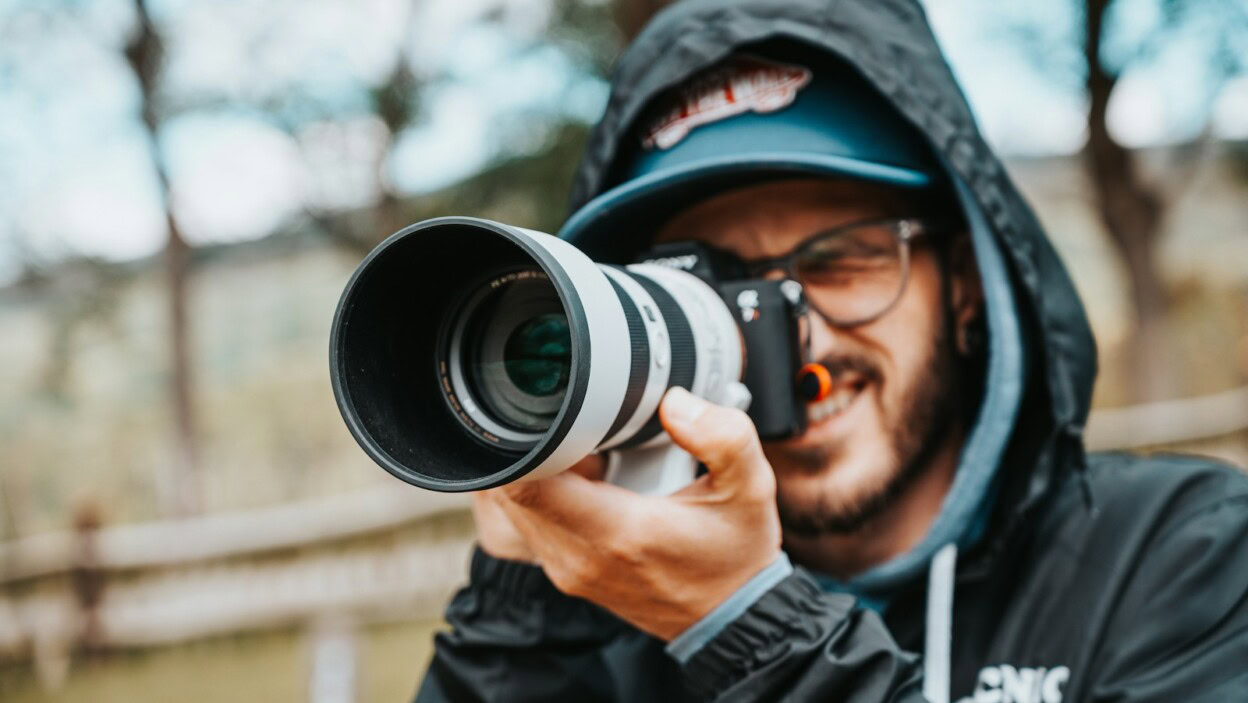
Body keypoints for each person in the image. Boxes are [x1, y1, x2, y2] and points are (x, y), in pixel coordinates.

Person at [416, 1, 1248, 701]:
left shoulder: (1186, 556)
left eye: (842, 258)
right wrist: (518, 610)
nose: (789, 328)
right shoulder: (602, 630)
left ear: (965, 279)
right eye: (711, 283)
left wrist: (746, 629)